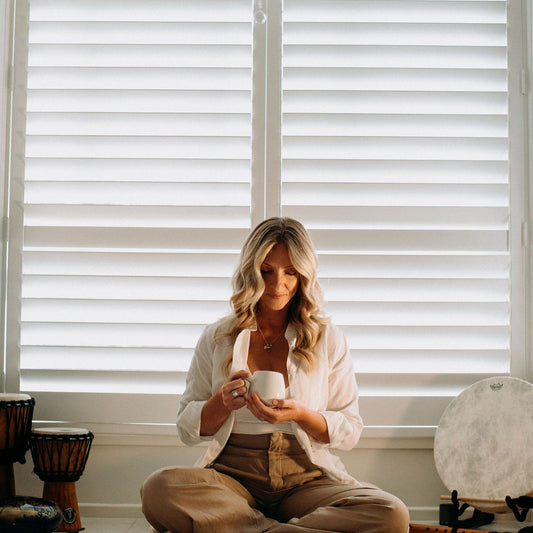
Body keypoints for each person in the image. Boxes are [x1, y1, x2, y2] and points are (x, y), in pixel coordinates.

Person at [141, 217, 409, 533]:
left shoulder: (326, 337)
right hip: (232, 478)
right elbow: (187, 427)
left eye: (290, 272)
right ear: (250, 271)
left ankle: (243, 528)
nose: (277, 283)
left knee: (392, 514)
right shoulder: (218, 336)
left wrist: (302, 415)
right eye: (266, 271)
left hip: (305, 478)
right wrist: (222, 402)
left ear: (303, 276)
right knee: (158, 490)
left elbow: (350, 428)